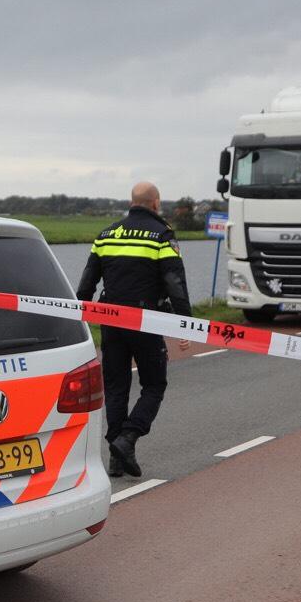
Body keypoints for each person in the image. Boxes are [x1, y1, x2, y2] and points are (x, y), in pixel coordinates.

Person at [77, 181, 192, 477]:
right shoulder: (161, 235)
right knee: (154, 385)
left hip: (111, 322)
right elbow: (175, 283)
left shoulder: (106, 235)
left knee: (116, 387)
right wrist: (187, 324)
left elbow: (88, 281)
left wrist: (79, 315)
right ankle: (128, 437)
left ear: (132, 202)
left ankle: (117, 458)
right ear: (156, 203)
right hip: (146, 322)